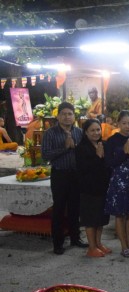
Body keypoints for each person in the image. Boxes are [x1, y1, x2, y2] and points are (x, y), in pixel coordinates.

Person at [41, 102, 87, 255]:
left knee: (76, 208)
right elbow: (45, 155)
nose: (67, 117)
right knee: (59, 208)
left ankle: (75, 238)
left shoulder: (79, 132)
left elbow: (84, 152)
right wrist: (64, 148)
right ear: (58, 116)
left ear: (74, 116)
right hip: (60, 174)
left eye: (70, 114)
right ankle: (58, 243)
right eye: (64, 114)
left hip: (76, 175)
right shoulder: (50, 133)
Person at [104, 110, 129, 258]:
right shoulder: (112, 140)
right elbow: (109, 163)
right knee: (120, 214)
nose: (127, 126)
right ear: (118, 124)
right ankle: (123, 246)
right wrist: (124, 153)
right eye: (124, 123)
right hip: (118, 180)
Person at [75, 119, 111, 258]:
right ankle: (91, 247)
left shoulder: (104, 144)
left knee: (100, 218)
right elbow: (84, 169)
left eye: (98, 130)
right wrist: (97, 156)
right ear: (86, 132)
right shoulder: (81, 148)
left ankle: (98, 243)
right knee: (91, 219)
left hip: (102, 187)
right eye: (92, 130)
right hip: (88, 189)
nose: (96, 133)